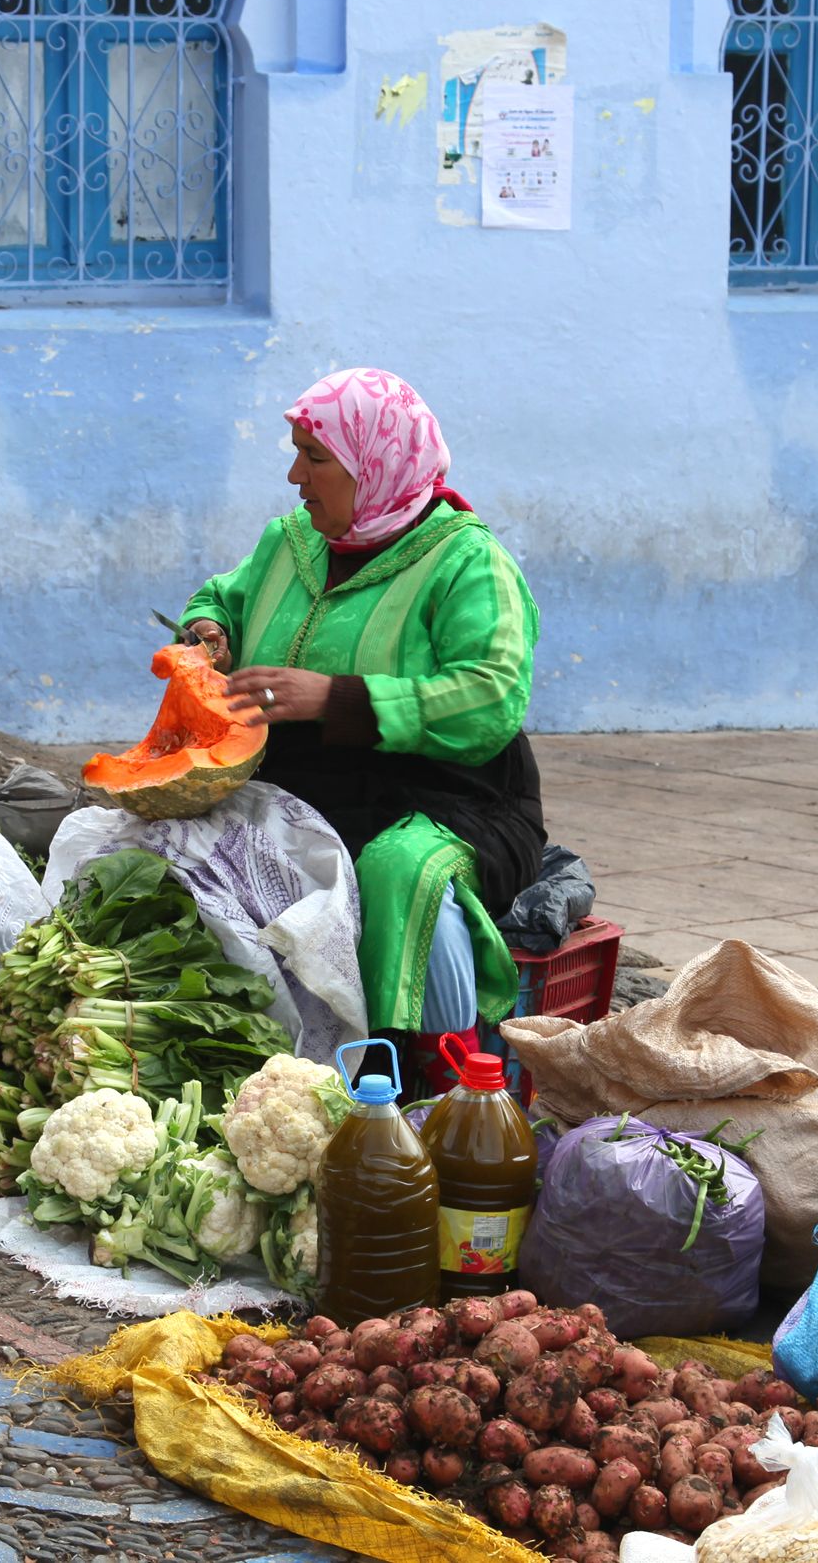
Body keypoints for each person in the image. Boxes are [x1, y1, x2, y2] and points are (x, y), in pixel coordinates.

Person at [180, 367, 545, 1096]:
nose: (295, 476)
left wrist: (337, 699)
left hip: (450, 800)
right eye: (295, 453)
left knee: (395, 872)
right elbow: (224, 594)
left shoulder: (467, 561)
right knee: (176, 849)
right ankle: (260, 1067)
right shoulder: (290, 543)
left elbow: (492, 697)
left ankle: (433, 1083)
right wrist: (209, 627)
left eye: (315, 458)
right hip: (304, 788)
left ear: (374, 465)